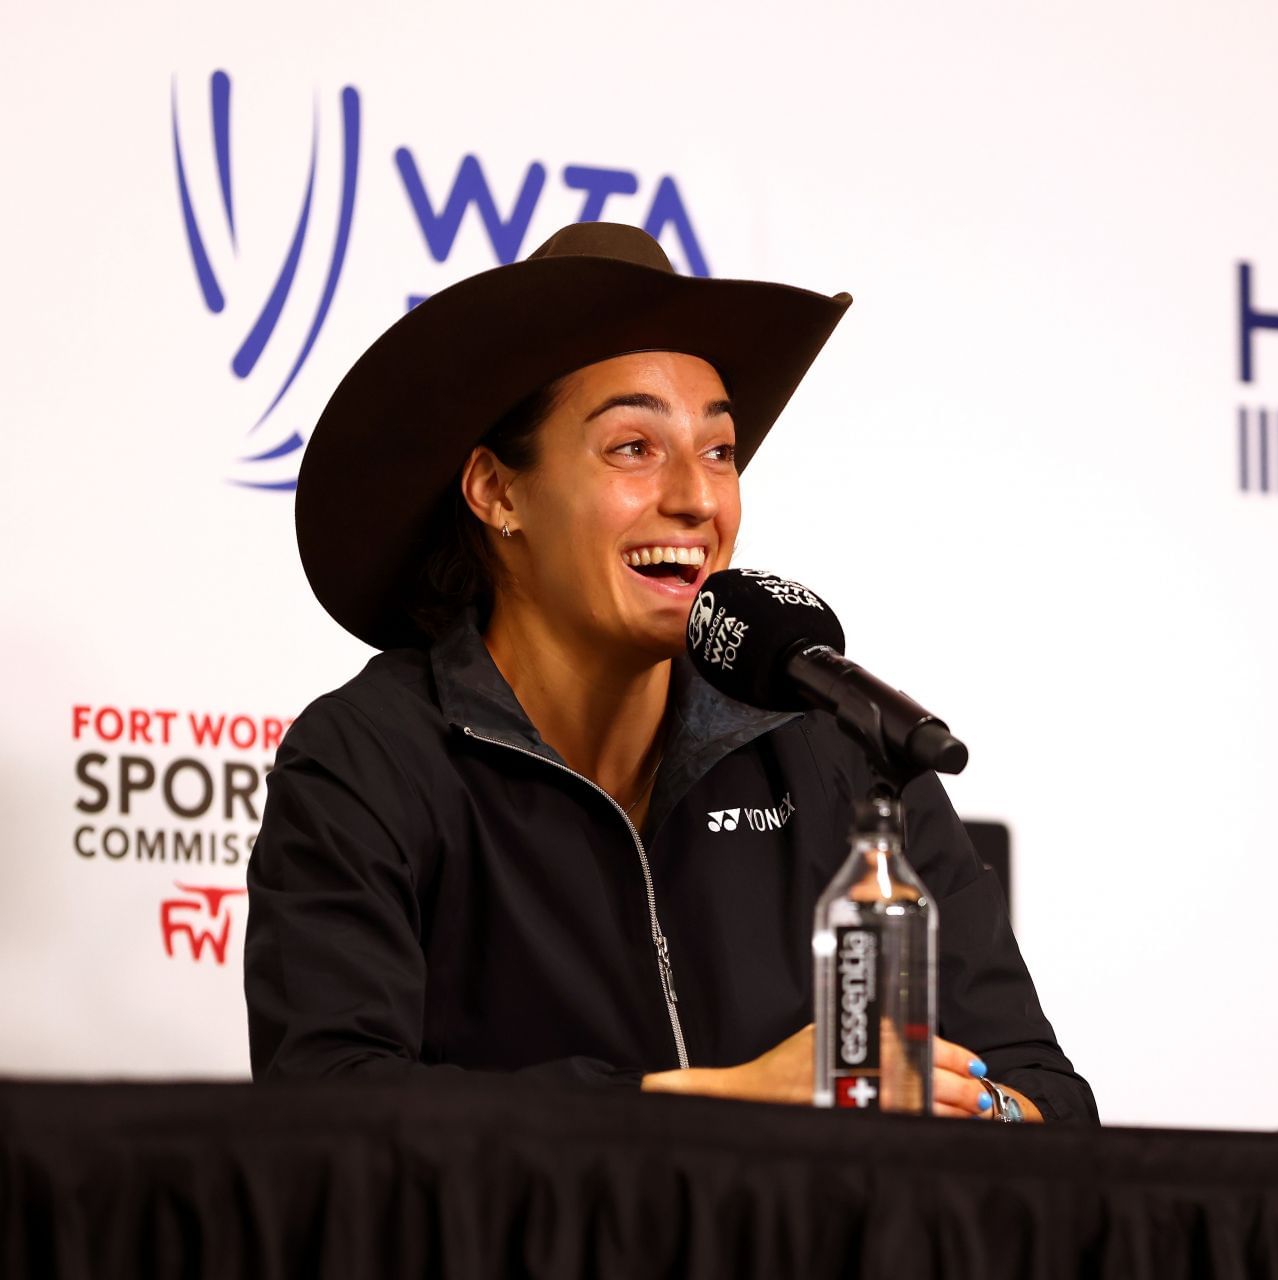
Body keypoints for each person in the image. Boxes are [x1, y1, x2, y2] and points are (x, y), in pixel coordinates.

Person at [244, 222, 1095, 1124]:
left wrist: (970, 1110)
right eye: (633, 448)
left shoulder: (839, 746)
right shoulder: (368, 757)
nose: (697, 498)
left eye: (720, 451)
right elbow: (329, 1108)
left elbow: (1048, 1101)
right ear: (497, 492)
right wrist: (712, 1102)